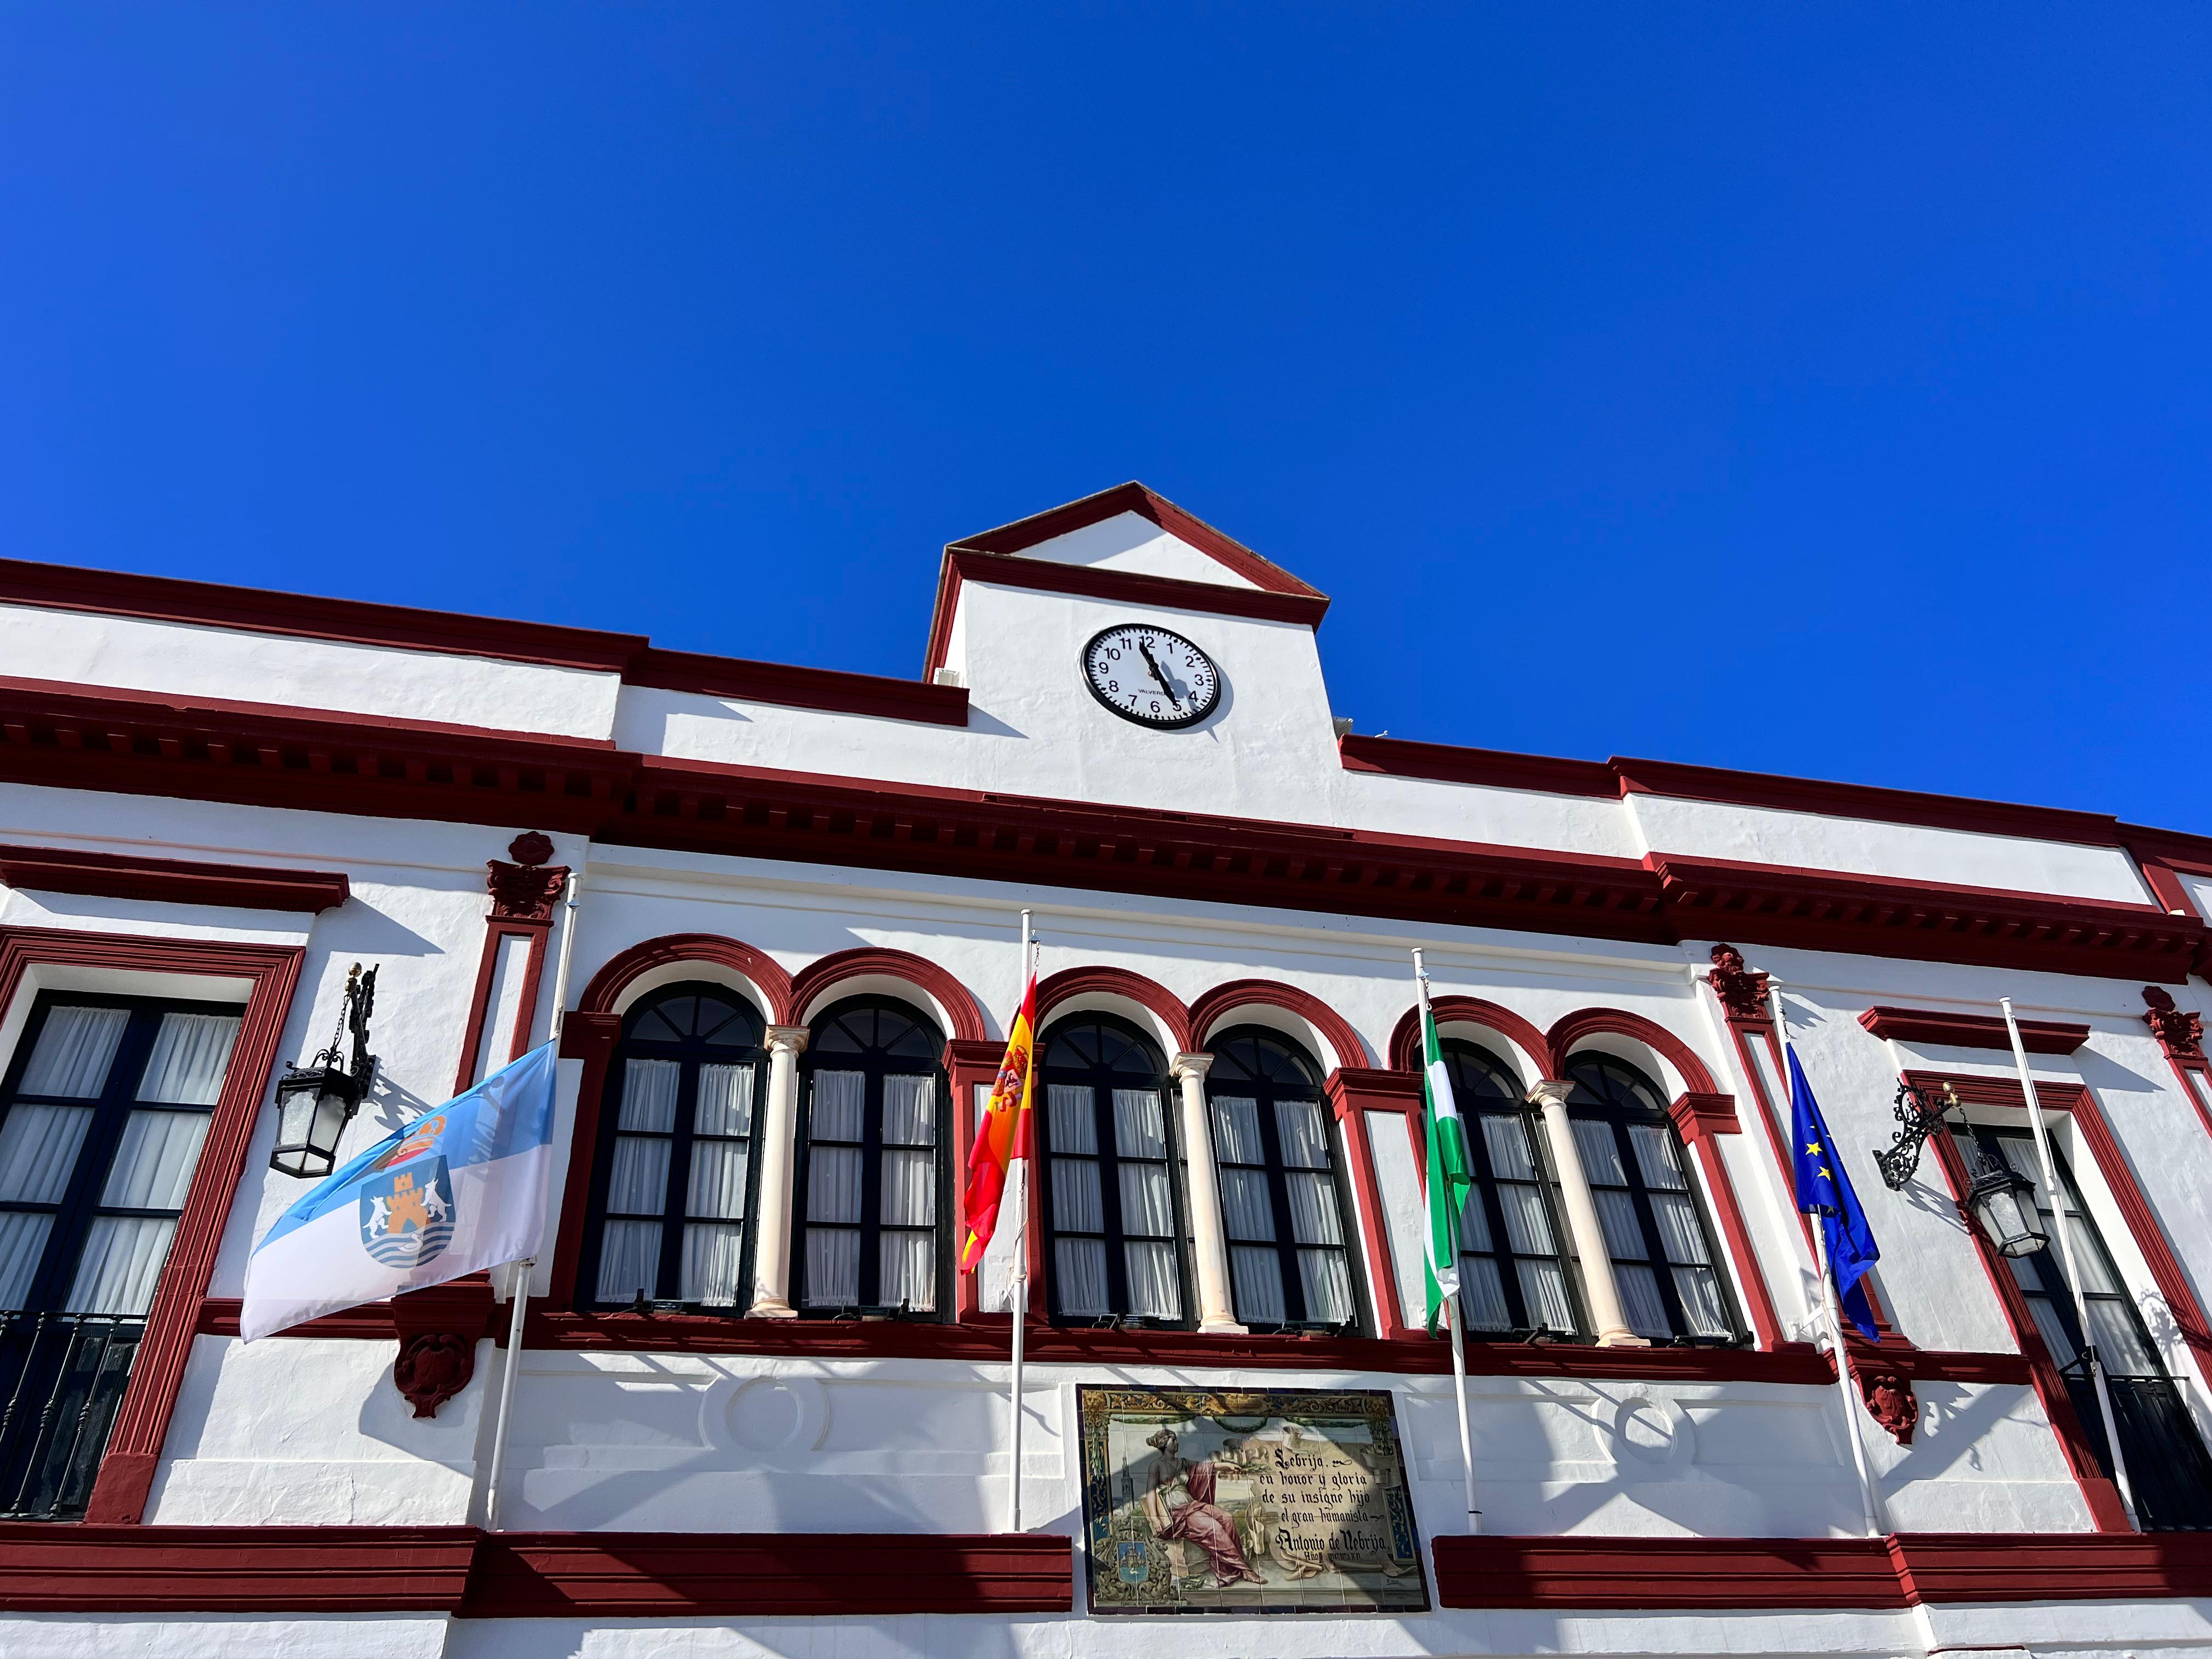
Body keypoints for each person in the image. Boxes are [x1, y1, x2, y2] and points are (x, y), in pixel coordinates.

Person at [1139, 1428, 1264, 1588]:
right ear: (1164, 1443)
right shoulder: (1156, 1465)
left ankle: (1228, 1570)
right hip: (1177, 1514)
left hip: (1192, 1505)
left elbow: (1206, 1468)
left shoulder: (1183, 1462)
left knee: (1227, 1518)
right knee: (1215, 1528)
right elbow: (1150, 1492)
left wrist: (1226, 1466)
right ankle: (1245, 1570)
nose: (1177, 1443)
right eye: (1173, 1440)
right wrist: (1155, 1519)